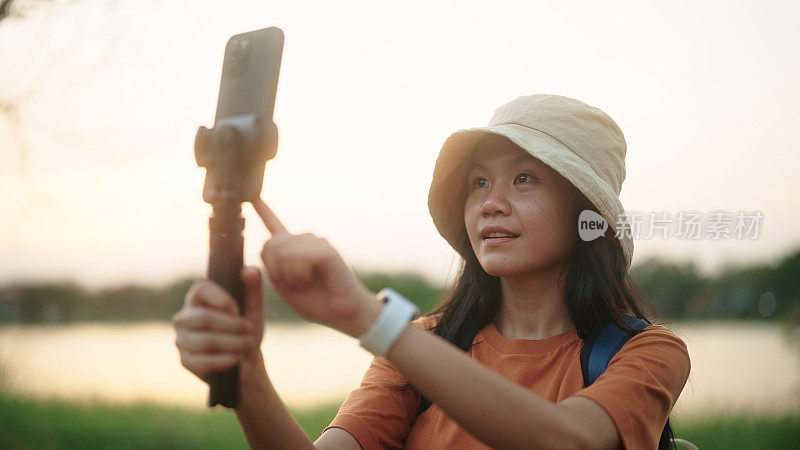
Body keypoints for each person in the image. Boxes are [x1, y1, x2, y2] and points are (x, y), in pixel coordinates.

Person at [172, 94, 691, 449]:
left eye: (525, 178)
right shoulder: (422, 347)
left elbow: (566, 440)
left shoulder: (644, 353)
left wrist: (368, 318)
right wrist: (248, 377)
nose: (491, 203)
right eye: (479, 182)